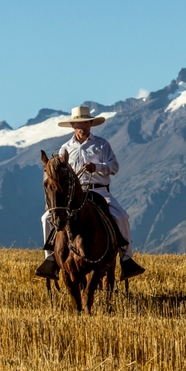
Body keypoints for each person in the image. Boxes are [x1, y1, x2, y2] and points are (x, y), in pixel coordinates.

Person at [35, 106, 146, 281]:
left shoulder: (102, 144)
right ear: (72, 125)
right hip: (73, 195)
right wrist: (53, 200)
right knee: (46, 218)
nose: (82, 126)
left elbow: (114, 167)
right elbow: (52, 173)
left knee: (122, 216)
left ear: (90, 124)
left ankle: (126, 258)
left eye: (85, 122)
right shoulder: (65, 148)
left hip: (99, 191)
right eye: (78, 123)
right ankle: (50, 258)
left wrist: (97, 168)